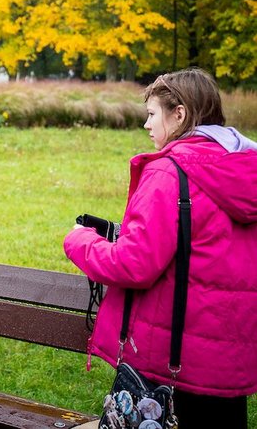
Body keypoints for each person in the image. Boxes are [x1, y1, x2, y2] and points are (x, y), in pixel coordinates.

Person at [64, 68, 257, 428]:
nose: (146, 125)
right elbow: (202, 244)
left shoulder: (170, 172)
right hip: (229, 367)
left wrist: (79, 240)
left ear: (179, 114)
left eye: (153, 114)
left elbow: (134, 265)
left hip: (175, 368)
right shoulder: (244, 171)